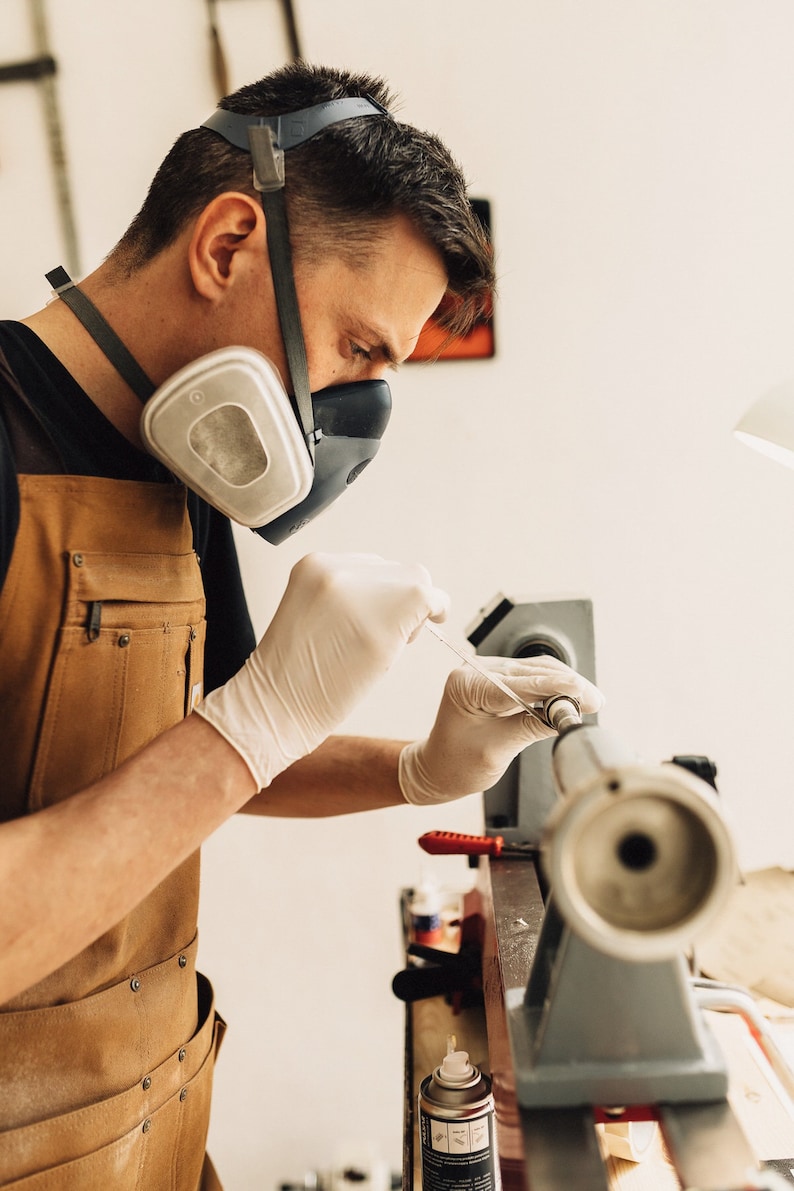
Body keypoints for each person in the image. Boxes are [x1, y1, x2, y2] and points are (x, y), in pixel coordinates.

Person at [0, 62, 602, 1189]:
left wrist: (418, 768)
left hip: (155, 1140)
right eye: (360, 350)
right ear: (228, 244)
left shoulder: (177, 461)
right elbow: (228, 743)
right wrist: (250, 725)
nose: (360, 410)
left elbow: (220, 753)